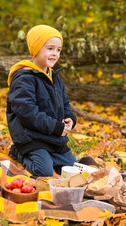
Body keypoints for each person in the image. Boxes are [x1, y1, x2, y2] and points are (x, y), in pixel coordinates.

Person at [6, 24, 77, 177]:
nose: (55, 54)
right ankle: (19, 151)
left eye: (58, 50)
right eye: (50, 49)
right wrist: (55, 127)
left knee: (73, 171)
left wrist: (70, 117)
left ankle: (48, 156)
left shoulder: (55, 79)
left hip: (52, 137)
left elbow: (64, 103)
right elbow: (27, 113)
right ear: (36, 49)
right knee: (44, 172)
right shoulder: (24, 78)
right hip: (31, 137)